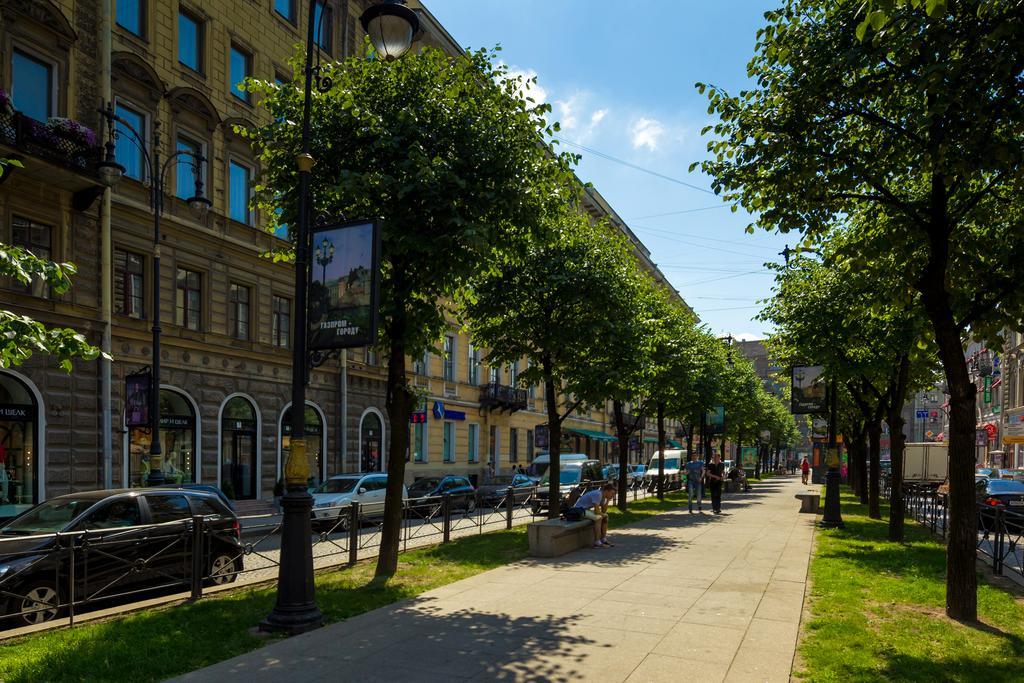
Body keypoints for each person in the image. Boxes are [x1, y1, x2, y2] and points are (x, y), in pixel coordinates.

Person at [571, 483, 617, 548]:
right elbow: (597, 511)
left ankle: (603, 539)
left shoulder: (603, 496)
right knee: (598, 518)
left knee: (605, 516)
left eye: (614, 494)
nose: (613, 495)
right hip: (579, 510)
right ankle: (597, 542)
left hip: (585, 510)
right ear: (606, 491)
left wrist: (608, 500)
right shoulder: (598, 494)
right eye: (612, 493)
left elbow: (603, 511)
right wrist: (604, 515)